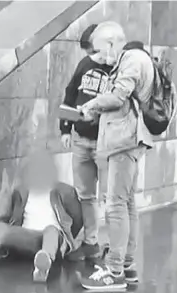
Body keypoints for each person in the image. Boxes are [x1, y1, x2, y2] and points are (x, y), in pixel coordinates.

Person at [76, 21, 155, 291]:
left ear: (111, 43)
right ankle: (127, 265)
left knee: (116, 205)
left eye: (100, 49)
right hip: (127, 139)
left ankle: (115, 271)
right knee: (127, 203)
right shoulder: (132, 58)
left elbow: (119, 96)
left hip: (124, 141)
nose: (100, 56)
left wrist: (92, 104)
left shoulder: (132, 59)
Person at [0, 150, 84, 283]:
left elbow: (78, 219)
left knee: (51, 229)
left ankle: (43, 266)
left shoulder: (64, 191)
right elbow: (15, 219)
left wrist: (68, 243)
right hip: (28, 238)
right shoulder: (21, 192)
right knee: (2, 227)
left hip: (53, 240)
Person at [59, 24, 114, 261]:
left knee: (113, 197)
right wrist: (65, 128)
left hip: (107, 141)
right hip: (82, 138)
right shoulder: (85, 65)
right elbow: (70, 95)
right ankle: (91, 242)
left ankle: (114, 246)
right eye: (92, 50)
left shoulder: (120, 67)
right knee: (86, 195)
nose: (95, 55)